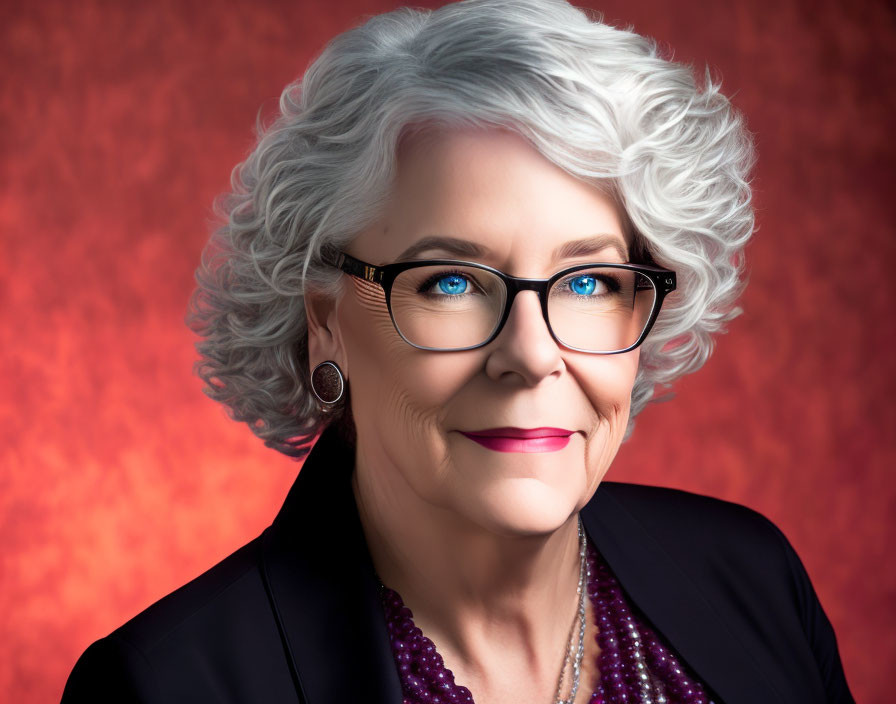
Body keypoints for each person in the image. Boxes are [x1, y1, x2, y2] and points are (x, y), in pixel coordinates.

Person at [61, 0, 856, 702]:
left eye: (588, 283)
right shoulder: (160, 685)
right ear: (327, 321)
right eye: (450, 282)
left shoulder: (755, 581)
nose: (532, 356)